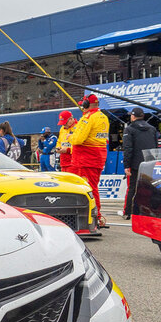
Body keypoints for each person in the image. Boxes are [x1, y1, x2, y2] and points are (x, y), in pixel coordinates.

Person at [70, 94, 110, 227]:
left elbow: (77, 139)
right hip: (96, 157)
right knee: (92, 187)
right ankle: (95, 216)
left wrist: (70, 137)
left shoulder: (88, 118)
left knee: (88, 188)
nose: (82, 106)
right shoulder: (103, 117)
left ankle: (95, 217)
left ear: (87, 104)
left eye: (83, 103)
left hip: (85, 158)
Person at [122, 107, 158, 219]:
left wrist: (126, 165)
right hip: (150, 163)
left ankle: (128, 212)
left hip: (135, 164)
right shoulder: (152, 129)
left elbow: (128, 148)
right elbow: (156, 146)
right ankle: (149, 211)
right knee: (149, 187)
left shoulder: (129, 129)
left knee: (132, 188)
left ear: (133, 116)